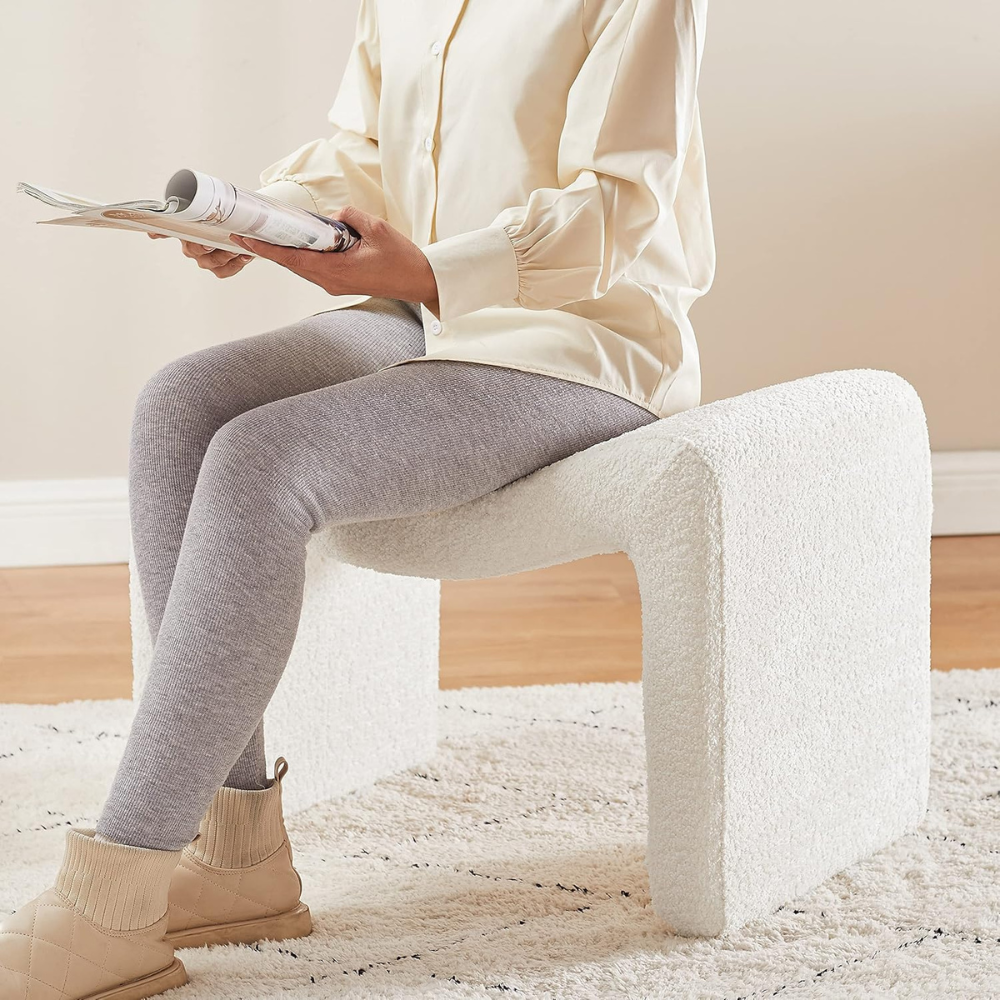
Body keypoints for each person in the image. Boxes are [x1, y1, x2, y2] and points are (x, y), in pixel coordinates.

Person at [0, 0, 714, 994]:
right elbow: (364, 151)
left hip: (577, 343)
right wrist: (264, 217)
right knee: (180, 405)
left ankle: (112, 895)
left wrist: (430, 265)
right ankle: (238, 854)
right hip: (419, 318)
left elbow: (623, 205)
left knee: (261, 458)